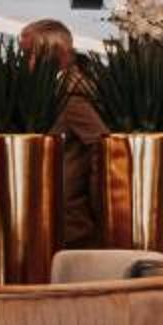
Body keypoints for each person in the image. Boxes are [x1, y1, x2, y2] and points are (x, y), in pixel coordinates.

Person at [19, 17, 104, 250]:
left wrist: (96, 205)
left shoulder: (71, 94)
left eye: (28, 54)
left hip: (70, 220)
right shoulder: (55, 90)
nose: (23, 63)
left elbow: (102, 146)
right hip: (60, 213)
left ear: (55, 53)